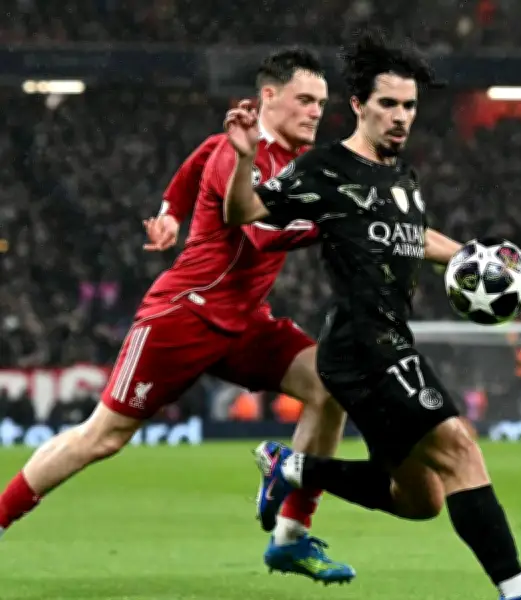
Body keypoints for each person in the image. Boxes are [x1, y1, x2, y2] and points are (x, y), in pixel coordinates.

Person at [0, 48, 357, 585]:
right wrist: (336, 224)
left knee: (330, 387)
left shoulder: (273, 156)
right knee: (101, 437)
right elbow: (261, 233)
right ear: (268, 96)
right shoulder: (240, 152)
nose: (315, 112)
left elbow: (191, 168)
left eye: (321, 103)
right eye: (305, 99)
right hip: (184, 317)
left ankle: (290, 537)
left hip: (245, 322)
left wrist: (170, 212)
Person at [223, 31, 521, 600]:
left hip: (388, 340)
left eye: (409, 106)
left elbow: (411, 236)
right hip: (363, 347)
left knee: (421, 499)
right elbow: (243, 211)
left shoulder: (401, 178)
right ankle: (520, 592)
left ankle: (293, 468)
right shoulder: (326, 168)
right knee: (459, 447)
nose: (400, 117)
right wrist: (246, 157)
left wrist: (476, 260)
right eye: (388, 104)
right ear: (358, 105)